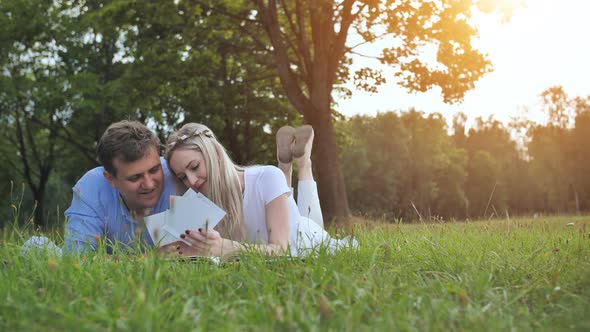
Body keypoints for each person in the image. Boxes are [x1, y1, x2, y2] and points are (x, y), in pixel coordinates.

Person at [165, 123, 355, 257]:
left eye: (195, 166)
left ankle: (303, 164)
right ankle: (286, 167)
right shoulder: (197, 202)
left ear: (214, 154)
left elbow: (282, 250)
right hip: (273, 220)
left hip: (304, 241)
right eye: (182, 177)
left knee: (308, 224)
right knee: (284, 197)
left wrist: (226, 247)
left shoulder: (265, 177)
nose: (191, 181)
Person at [63, 120, 176, 253]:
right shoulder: (92, 188)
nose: (149, 184)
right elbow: (78, 257)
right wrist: (149, 259)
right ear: (111, 179)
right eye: (135, 177)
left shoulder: (176, 173)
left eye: (154, 170)